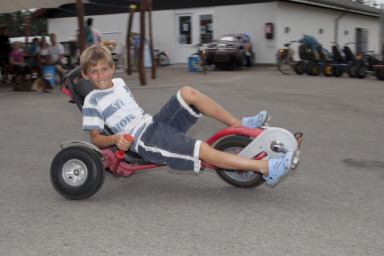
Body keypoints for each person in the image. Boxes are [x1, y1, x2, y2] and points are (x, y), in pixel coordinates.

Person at [80, 45, 294, 186]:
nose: (101, 76)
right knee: (202, 149)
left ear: (113, 68)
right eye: (94, 72)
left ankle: (242, 124)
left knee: (187, 92)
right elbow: (96, 139)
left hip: (153, 122)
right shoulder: (92, 100)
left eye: (104, 69)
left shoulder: (119, 82)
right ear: (85, 75)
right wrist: (116, 139)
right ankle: (265, 169)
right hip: (144, 140)